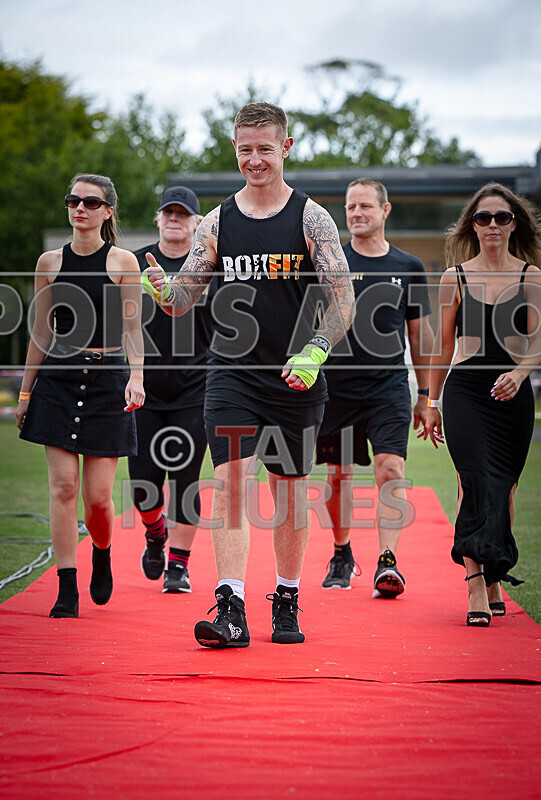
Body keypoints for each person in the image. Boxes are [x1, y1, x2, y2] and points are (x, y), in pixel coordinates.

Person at [143, 102, 355, 647]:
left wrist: (316, 350)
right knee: (231, 483)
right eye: (245, 150)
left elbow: (344, 300)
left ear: (285, 147)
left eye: (265, 149)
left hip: (295, 375)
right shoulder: (217, 222)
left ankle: (286, 600)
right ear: (234, 149)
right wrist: (162, 290)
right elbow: (183, 299)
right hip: (231, 375)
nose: (254, 159)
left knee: (289, 492)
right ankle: (231, 608)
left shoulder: (311, 218)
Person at [17, 174, 145, 618]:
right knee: (64, 487)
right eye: (74, 201)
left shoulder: (124, 261)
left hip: (109, 382)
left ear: (108, 211)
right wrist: (26, 392)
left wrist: (137, 376)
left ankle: (102, 552)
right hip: (58, 379)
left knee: (98, 498)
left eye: (91, 203)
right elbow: (40, 332)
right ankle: (66, 586)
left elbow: (133, 328)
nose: (80, 209)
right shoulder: (49, 262)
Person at [421, 182, 541, 626]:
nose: (492, 224)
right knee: (471, 482)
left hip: (513, 395)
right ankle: (474, 583)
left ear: (514, 224)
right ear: (472, 225)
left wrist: (520, 373)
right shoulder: (455, 277)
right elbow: (442, 346)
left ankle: (493, 574)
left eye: (501, 217)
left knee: (504, 490)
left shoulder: (531, 276)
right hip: (466, 393)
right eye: (483, 217)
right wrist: (431, 401)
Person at [316, 178, 433, 596]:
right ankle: (341, 552)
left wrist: (426, 396)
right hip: (336, 389)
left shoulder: (409, 266)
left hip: (388, 388)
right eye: (350, 207)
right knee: (338, 477)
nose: (356, 213)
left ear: (385, 211)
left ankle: (388, 562)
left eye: (365, 206)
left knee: (391, 469)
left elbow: (419, 337)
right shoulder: (331, 263)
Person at [130, 186, 211, 593]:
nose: (174, 219)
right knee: (143, 485)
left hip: (194, 390)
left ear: (197, 222)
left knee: (185, 479)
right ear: (158, 219)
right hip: (142, 389)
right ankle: (154, 531)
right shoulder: (133, 263)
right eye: (168, 212)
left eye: (183, 213)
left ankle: (178, 566)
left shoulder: (209, 267)